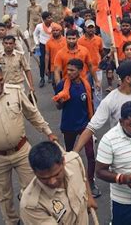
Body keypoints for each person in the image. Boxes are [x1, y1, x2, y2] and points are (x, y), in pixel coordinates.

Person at [0, 64, 57, 225]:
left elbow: (32, 113)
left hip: (22, 151)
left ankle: (33, 219)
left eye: (0, 80)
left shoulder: (15, 92)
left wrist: (48, 132)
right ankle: (12, 221)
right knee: (4, 197)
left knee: (33, 189)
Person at [72, 61, 131, 153]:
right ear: (128, 79)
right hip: (120, 148)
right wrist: (74, 153)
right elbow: (91, 128)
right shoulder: (110, 100)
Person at [53, 58, 100, 198]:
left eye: (72, 70)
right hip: (69, 125)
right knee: (69, 156)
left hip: (85, 125)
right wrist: (61, 101)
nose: (69, 73)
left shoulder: (86, 84)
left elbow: (89, 103)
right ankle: (70, 180)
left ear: (80, 71)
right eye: (68, 70)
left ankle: (91, 182)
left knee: (91, 156)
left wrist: (92, 120)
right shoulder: (62, 84)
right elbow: (58, 106)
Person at [19, 141, 97, 224]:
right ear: (34, 173)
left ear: (63, 161)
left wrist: (89, 196)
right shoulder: (31, 206)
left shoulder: (74, 161)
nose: (52, 182)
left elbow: (82, 176)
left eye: (56, 174)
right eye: (45, 178)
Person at [33, 11, 54, 87]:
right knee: (42, 62)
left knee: (51, 61)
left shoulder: (53, 26)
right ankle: (42, 78)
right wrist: (36, 43)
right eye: (49, 18)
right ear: (44, 19)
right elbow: (35, 34)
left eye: (51, 17)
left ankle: (50, 76)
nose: (51, 19)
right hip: (42, 46)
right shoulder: (39, 26)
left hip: (52, 46)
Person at [44, 23, 65, 87]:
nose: (55, 32)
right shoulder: (48, 42)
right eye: (53, 31)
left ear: (60, 31)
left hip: (64, 66)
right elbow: (47, 55)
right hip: (54, 67)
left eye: (57, 30)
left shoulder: (65, 40)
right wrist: (46, 67)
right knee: (55, 84)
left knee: (65, 83)